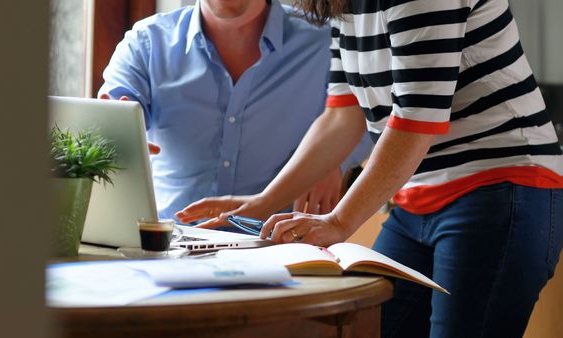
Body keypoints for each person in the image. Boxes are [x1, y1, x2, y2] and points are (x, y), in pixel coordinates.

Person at [176, 0, 563, 337]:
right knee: (364, 326)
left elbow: (415, 119)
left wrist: (339, 221)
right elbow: (341, 116)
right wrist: (261, 203)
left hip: (501, 185)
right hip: (417, 200)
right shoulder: (343, 4)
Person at [98, 0, 371, 223]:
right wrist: (116, 127)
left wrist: (334, 160)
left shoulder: (326, 42)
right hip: (169, 244)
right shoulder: (145, 43)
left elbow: (372, 114)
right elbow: (112, 109)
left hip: (282, 246)